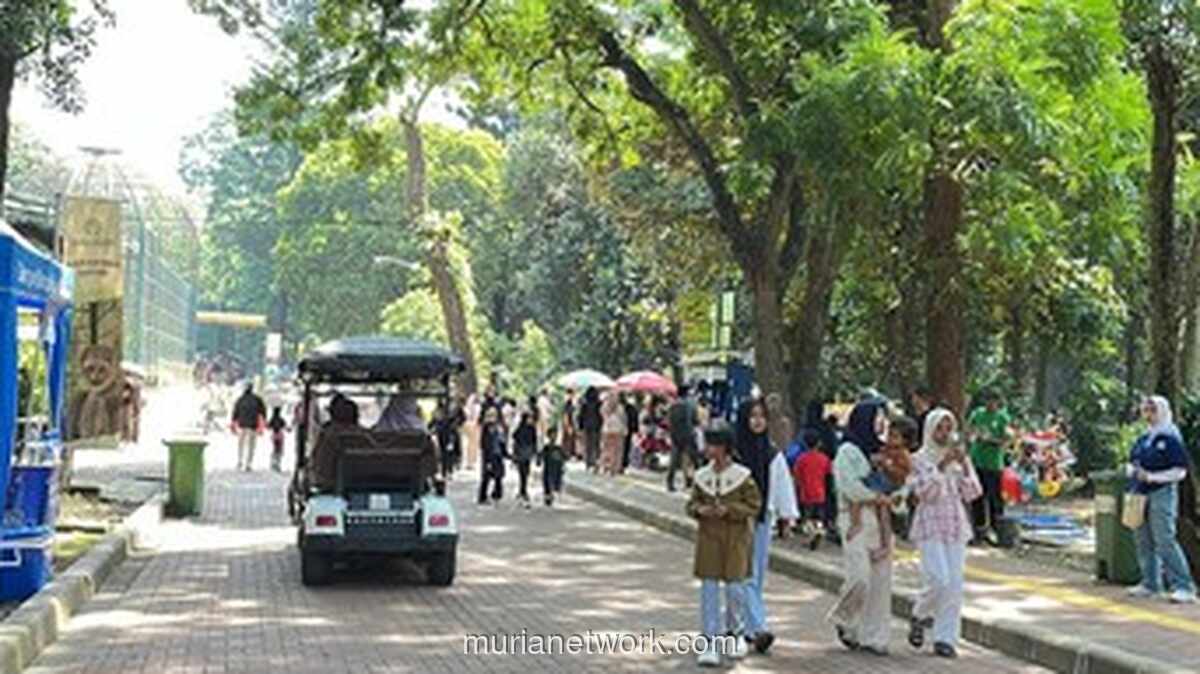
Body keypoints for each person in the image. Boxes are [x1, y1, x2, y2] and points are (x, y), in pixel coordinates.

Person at [907, 407, 982, 658]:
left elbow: (973, 493)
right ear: (929, 429)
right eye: (940, 427)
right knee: (938, 578)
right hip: (929, 523)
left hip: (955, 524)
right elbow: (923, 493)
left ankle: (945, 638)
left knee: (954, 584)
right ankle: (919, 613)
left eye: (949, 427)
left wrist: (964, 466)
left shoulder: (959, 458)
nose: (944, 433)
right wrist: (941, 466)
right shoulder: (918, 459)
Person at [686, 422, 761, 667]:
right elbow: (691, 505)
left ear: (725, 447)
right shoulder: (702, 476)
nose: (708, 449)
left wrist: (729, 510)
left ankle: (736, 633)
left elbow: (753, 505)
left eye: (713, 444)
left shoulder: (743, 477)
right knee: (708, 590)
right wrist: (702, 510)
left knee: (734, 589)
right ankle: (709, 640)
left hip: (736, 539)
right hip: (708, 539)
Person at [730, 398, 798, 654]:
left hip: (762, 520)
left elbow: (781, 485)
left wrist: (786, 517)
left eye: (761, 416)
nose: (757, 421)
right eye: (752, 416)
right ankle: (759, 627)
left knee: (756, 575)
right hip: (736, 521)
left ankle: (744, 627)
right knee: (744, 575)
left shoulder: (771, 453)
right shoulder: (733, 453)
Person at [828, 400, 893, 656]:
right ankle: (843, 618)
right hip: (853, 519)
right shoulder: (847, 452)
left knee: (880, 583)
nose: (880, 422)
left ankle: (873, 636)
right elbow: (850, 488)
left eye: (883, 417)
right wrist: (878, 497)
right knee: (860, 578)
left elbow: (897, 487)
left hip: (880, 519)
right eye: (876, 417)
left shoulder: (884, 451)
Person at [1126, 396, 1198, 603]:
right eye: (1146, 410)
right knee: (1143, 539)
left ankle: (1184, 586)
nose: (1148, 414)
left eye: (1153, 410)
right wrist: (1134, 472)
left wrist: (1152, 477)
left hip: (1162, 492)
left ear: (1163, 411)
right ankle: (1150, 583)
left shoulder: (1170, 437)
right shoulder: (1144, 438)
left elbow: (1179, 471)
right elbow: (1132, 461)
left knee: (1164, 539)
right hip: (1140, 493)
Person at [846, 416, 917, 557]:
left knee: (882, 512)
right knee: (857, 493)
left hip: (889, 484)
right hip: (880, 480)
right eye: (889, 434)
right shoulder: (886, 449)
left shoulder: (903, 455)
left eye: (895, 436)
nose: (890, 438)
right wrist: (876, 462)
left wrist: (887, 466)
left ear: (905, 440)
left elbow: (903, 474)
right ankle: (856, 523)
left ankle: (884, 544)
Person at [967, 391, 1012, 544]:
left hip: (993, 464)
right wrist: (973, 436)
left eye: (993, 401)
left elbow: (1006, 440)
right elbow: (970, 430)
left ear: (998, 402)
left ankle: (996, 529)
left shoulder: (1002, 418)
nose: (990, 404)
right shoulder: (977, 414)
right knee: (977, 496)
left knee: (994, 499)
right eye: (987, 400)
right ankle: (979, 530)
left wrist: (990, 439)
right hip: (977, 461)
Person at [793, 429, 832, 550]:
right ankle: (819, 530)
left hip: (806, 493)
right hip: (820, 493)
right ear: (819, 443)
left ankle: (810, 536)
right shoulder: (825, 459)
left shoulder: (801, 459)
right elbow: (829, 475)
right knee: (819, 516)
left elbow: (797, 476)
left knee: (808, 516)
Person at [667, 387, 700, 492]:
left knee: (674, 460)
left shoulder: (672, 406)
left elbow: (669, 421)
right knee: (688, 459)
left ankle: (670, 482)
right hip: (688, 435)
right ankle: (688, 482)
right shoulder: (691, 406)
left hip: (675, 436)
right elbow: (695, 420)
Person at [231, 383, 267, 472]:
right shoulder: (257, 399)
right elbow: (263, 412)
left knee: (241, 445)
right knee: (251, 446)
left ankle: (240, 461)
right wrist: (262, 425)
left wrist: (233, 423)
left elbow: (235, 412)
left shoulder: (240, 399)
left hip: (242, 425)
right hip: (253, 425)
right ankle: (248, 463)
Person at [478, 408, 507, 505]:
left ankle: (497, 494)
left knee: (498, 475)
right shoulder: (486, 428)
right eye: (490, 415)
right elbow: (483, 443)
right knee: (486, 476)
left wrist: (505, 453)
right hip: (489, 454)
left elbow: (502, 441)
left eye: (494, 415)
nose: (492, 418)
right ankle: (482, 497)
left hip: (498, 454)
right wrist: (487, 459)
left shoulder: (500, 427)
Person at [512, 412, 538, 508]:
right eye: (529, 418)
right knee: (522, 472)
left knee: (526, 472)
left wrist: (535, 452)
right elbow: (515, 440)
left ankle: (523, 489)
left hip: (527, 453)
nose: (530, 420)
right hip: (521, 453)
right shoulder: (520, 429)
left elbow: (534, 441)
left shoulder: (532, 429)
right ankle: (522, 490)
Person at [600, 390, 627, 476]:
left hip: (606, 429)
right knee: (616, 450)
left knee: (606, 448)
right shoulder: (620, 408)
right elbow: (624, 419)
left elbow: (602, 416)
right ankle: (614, 468)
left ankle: (605, 466)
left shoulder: (604, 407)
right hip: (618, 429)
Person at [577, 387, 603, 471]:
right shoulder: (599, 403)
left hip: (587, 426)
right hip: (597, 426)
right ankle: (596, 461)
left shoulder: (584, 404)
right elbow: (601, 415)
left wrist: (580, 426)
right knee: (596, 444)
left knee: (588, 444)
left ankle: (588, 462)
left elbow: (580, 416)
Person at [542, 423, 567, 506]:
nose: (553, 437)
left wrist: (563, 462)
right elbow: (542, 456)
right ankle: (548, 496)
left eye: (555, 435)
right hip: (548, 468)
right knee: (548, 482)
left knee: (556, 481)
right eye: (552, 435)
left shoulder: (558, 448)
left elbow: (564, 457)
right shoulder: (546, 447)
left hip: (557, 468)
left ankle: (552, 494)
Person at [463, 394, 481, 469]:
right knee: (473, 445)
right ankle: (471, 462)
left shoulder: (466, 408)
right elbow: (477, 417)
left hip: (468, 425)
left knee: (469, 444)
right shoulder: (477, 407)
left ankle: (469, 462)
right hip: (474, 426)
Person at [560, 388, 579, 461]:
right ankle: (566, 454)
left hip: (570, 423)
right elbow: (566, 415)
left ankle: (568, 454)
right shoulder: (568, 403)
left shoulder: (571, 403)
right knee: (568, 440)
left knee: (569, 439)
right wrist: (568, 426)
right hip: (568, 424)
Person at [268, 407, 288, 473]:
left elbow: (268, 426)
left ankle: (273, 463)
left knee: (275, 449)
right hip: (280, 435)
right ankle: (277, 464)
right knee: (279, 450)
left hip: (274, 435)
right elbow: (285, 427)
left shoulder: (272, 419)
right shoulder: (281, 419)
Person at [623, 394, 640, 473]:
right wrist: (636, 430)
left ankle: (621, 463)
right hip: (629, 429)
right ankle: (624, 463)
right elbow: (635, 419)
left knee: (622, 447)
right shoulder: (632, 408)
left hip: (622, 429)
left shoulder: (620, 407)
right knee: (627, 447)